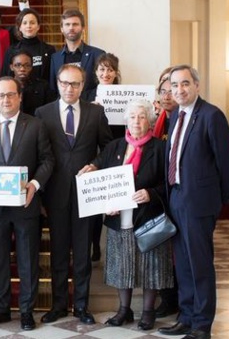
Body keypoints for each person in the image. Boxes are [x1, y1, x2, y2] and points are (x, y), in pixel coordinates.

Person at [78, 99, 174, 331]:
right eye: (132, 117)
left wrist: (151, 193)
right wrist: (92, 170)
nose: (137, 121)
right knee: (122, 266)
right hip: (119, 219)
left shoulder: (161, 148)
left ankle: (148, 312)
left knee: (151, 267)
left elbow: (170, 184)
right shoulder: (115, 146)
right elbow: (99, 168)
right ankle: (124, 310)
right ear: (126, 120)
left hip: (148, 219)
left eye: (141, 116)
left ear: (149, 120)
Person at [0, 77, 54, 331]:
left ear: (19, 97)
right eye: (0, 95)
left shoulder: (36, 125)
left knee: (28, 259)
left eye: (10, 95)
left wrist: (35, 185)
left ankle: (26, 311)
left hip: (26, 205)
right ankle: (1, 308)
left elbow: (48, 160)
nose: (5, 100)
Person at [158, 65, 229, 339]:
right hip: (177, 198)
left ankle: (202, 324)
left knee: (200, 264)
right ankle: (186, 316)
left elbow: (226, 163)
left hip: (199, 203)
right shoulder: (177, 114)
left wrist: (219, 201)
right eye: (174, 85)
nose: (179, 90)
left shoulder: (212, 116)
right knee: (184, 264)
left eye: (185, 84)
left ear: (197, 86)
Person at [34, 64, 112, 325]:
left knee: (82, 254)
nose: (70, 88)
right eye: (65, 83)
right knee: (57, 254)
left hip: (86, 195)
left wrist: (97, 165)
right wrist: (40, 194)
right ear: (57, 83)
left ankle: (81, 306)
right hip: (55, 195)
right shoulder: (42, 113)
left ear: (83, 85)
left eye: (75, 84)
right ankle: (58, 305)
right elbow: (39, 156)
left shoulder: (96, 112)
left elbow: (108, 148)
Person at [152, 67, 181, 319]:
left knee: (180, 250)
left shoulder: (185, 118)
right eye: (162, 90)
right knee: (163, 248)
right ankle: (168, 299)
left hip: (181, 195)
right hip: (160, 195)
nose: (167, 94)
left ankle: (183, 299)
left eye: (171, 89)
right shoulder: (159, 119)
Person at [91, 52, 123, 263]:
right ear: (95, 72)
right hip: (95, 156)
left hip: (119, 153)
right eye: (102, 69)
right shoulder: (87, 95)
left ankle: (117, 250)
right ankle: (95, 246)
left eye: (110, 69)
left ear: (116, 73)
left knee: (116, 204)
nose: (106, 73)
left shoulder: (126, 94)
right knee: (94, 205)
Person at [50, 9, 105, 102]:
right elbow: (53, 89)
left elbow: (103, 86)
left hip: (90, 109)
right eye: (67, 24)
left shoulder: (98, 55)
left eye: (75, 24)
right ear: (61, 29)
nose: (71, 28)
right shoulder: (55, 58)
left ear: (83, 28)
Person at [1, 8, 56, 82]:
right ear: (19, 27)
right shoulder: (11, 51)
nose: (29, 26)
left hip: (42, 92)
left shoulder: (49, 50)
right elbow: (5, 78)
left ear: (38, 26)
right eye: (25, 23)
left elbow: (53, 78)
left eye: (32, 23)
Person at [9, 50, 56, 116]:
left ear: (31, 67)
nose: (22, 69)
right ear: (11, 67)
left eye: (27, 65)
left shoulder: (42, 87)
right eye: (18, 65)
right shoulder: (6, 87)